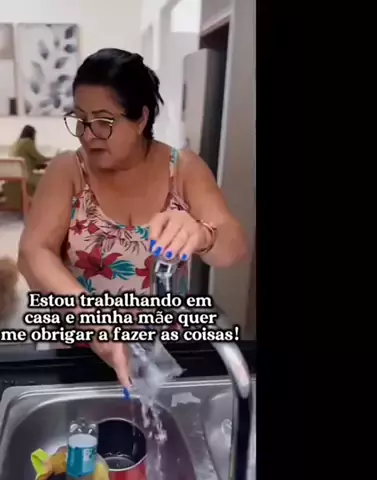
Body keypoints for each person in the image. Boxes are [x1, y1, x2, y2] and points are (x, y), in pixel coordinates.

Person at [18, 48, 248, 388]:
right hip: (82, 350)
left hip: (165, 353)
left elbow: (233, 248)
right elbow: (33, 252)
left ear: (141, 119)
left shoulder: (183, 168)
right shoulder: (68, 170)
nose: (87, 134)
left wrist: (203, 234)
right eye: (80, 119)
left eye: (103, 122)